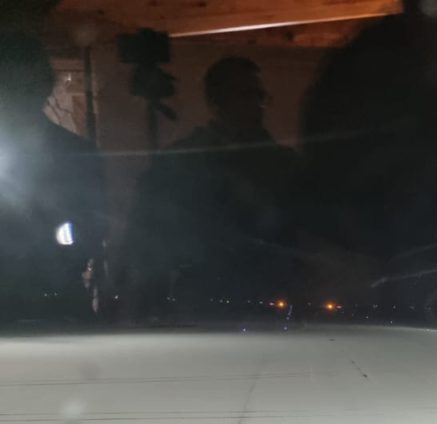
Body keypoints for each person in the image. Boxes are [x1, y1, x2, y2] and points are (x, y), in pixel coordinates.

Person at [122, 56, 301, 320]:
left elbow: (300, 227)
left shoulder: (282, 164)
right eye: (245, 95)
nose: (256, 105)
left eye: (259, 95)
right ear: (217, 102)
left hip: (269, 292)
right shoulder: (181, 161)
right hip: (202, 294)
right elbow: (146, 230)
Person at [0, 32, 108, 323]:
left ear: (42, 85)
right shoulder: (75, 151)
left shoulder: (75, 154)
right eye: (9, 84)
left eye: (23, 84)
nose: (16, 93)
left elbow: (93, 226)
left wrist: (53, 248)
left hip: (56, 299)